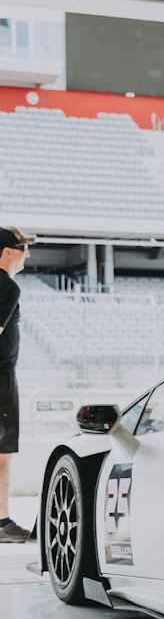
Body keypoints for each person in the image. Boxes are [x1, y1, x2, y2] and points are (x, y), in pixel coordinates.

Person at [0, 227, 34, 543]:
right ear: (7, 252)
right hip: (0, 379)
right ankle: (2, 523)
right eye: (22, 248)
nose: (27, 255)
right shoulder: (7, 287)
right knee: (2, 454)